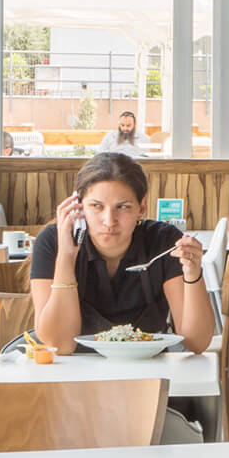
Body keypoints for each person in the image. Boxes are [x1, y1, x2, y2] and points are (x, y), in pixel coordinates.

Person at [28, 152, 209, 356]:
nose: (109, 220)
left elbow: (197, 342)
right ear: (79, 207)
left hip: (148, 373)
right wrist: (65, 257)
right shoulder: (53, 242)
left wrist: (193, 274)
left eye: (122, 207)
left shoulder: (163, 242)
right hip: (74, 375)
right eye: (96, 206)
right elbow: (59, 345)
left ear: (141, 208)